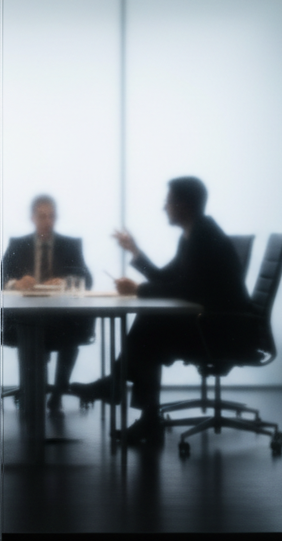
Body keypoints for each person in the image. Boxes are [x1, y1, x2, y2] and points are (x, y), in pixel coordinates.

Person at [84, 176, 256, 443]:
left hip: (222, 331)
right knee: (151, 327)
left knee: (151, 331)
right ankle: (130, 401)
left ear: (183, 205)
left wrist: (138, 291)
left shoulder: (203, 237)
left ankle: (121, 390)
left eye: (167, 203)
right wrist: (135, 251)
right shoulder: (194, 235)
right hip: (213, 324)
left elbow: (186, 289)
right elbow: (166, 278)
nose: (164, 208)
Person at [2, 195, 94, 411]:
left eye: (51, 216)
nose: (47, 221)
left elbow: (87, 279)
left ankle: (59, 391)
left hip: (62, 321)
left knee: (70, 327)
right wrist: (16, 283)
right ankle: (30, 390)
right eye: (42, 216)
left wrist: (64, 281)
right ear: (32, 218)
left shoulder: (70, 245)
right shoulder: (18, 244)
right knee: (29, 329)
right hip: (25, 319)